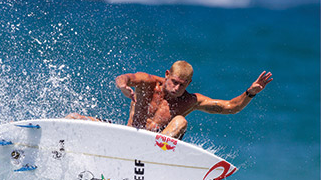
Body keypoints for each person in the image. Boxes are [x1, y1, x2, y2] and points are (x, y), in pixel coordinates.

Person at [66, 61, 273, 139]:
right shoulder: (148, 83)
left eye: (182, 84)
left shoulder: (191, 100)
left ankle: (154, 151)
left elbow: (231, 107)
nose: (176, 88)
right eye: (173, 82)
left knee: (181, 121)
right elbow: (126, 78)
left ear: (189, 83)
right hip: (129, 136)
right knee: (73, 118)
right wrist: (122, 87)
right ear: (167, 74)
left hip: (158, 149)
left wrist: (250, 92)